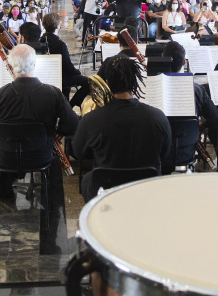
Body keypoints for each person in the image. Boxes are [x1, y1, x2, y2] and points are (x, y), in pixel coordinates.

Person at [0, 45, 80, 197]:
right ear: (34, 64)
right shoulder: (53, 93)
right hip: (41, 155)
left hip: (6, 157)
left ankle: (2, 192)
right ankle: (51, 200)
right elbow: (73, 124)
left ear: (12, 67)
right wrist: (59, 131)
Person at [73, 55, 172, 201]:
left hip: (106, 190)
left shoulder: (91, 120)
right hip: (147, 188)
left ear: (107, 82)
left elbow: (79, 152)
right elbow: (165, 155)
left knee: (88, 179)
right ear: (135, 82)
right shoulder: (158, 117)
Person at [162, 41, 218, 164]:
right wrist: (202, 125)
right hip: (187, 152)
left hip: (159, 153)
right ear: (184, 62)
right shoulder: (198, 90)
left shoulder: (153, 87)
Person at [41, 13, 90, 108]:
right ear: (58, 26)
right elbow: (67, 66)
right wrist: (77, 72)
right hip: (61, 77)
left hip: (46, 75)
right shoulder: (60, 44)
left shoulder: (41, 40)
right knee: (88, 82)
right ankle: (69, 106)